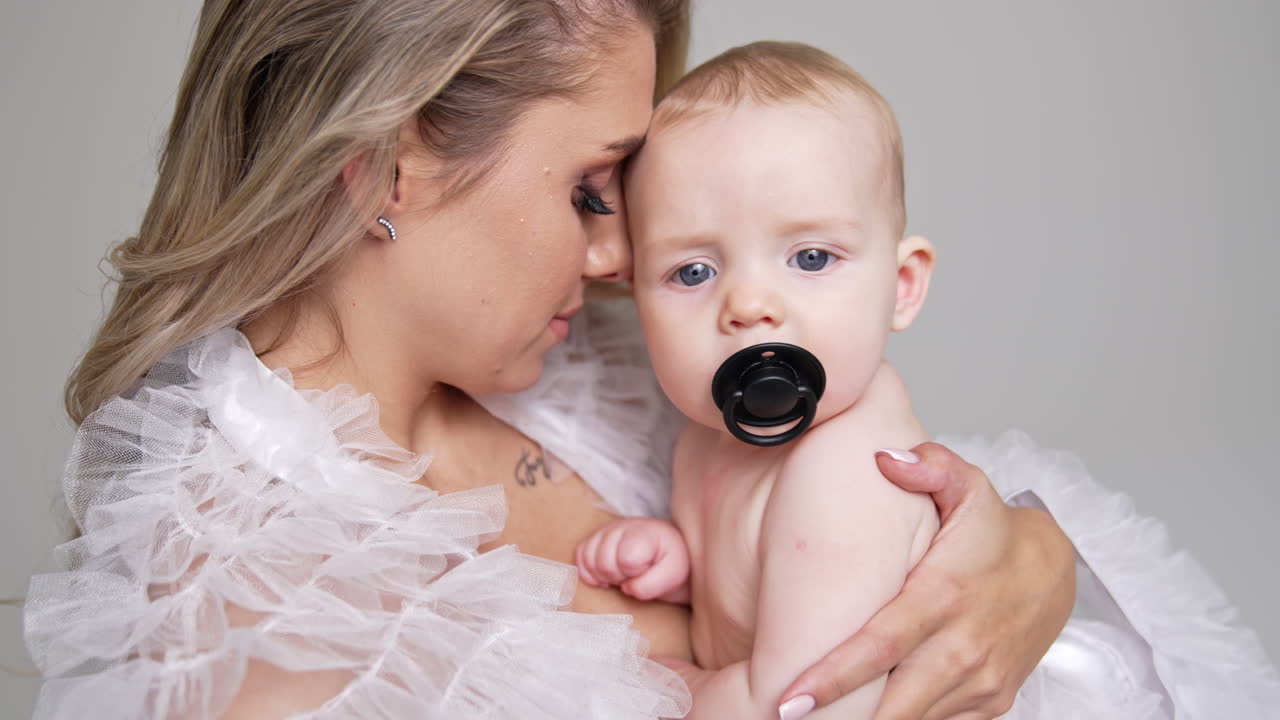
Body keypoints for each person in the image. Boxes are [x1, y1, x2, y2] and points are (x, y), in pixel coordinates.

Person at [21, 0, 1102, 718]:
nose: (620, 257)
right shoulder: (259, 603)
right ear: (380, 169)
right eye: (591, 191)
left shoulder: (588, 363)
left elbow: (858, 502)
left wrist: (1028, 568)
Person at [575, 41, 1280, 719]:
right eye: (693, 272)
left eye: (812, 258)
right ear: (636, 290)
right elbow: (772, 589)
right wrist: (686, 569)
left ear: (903, 286)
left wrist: (669, 686)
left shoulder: (847, 470)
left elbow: (811, 705)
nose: (750, 305)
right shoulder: (704, 436)